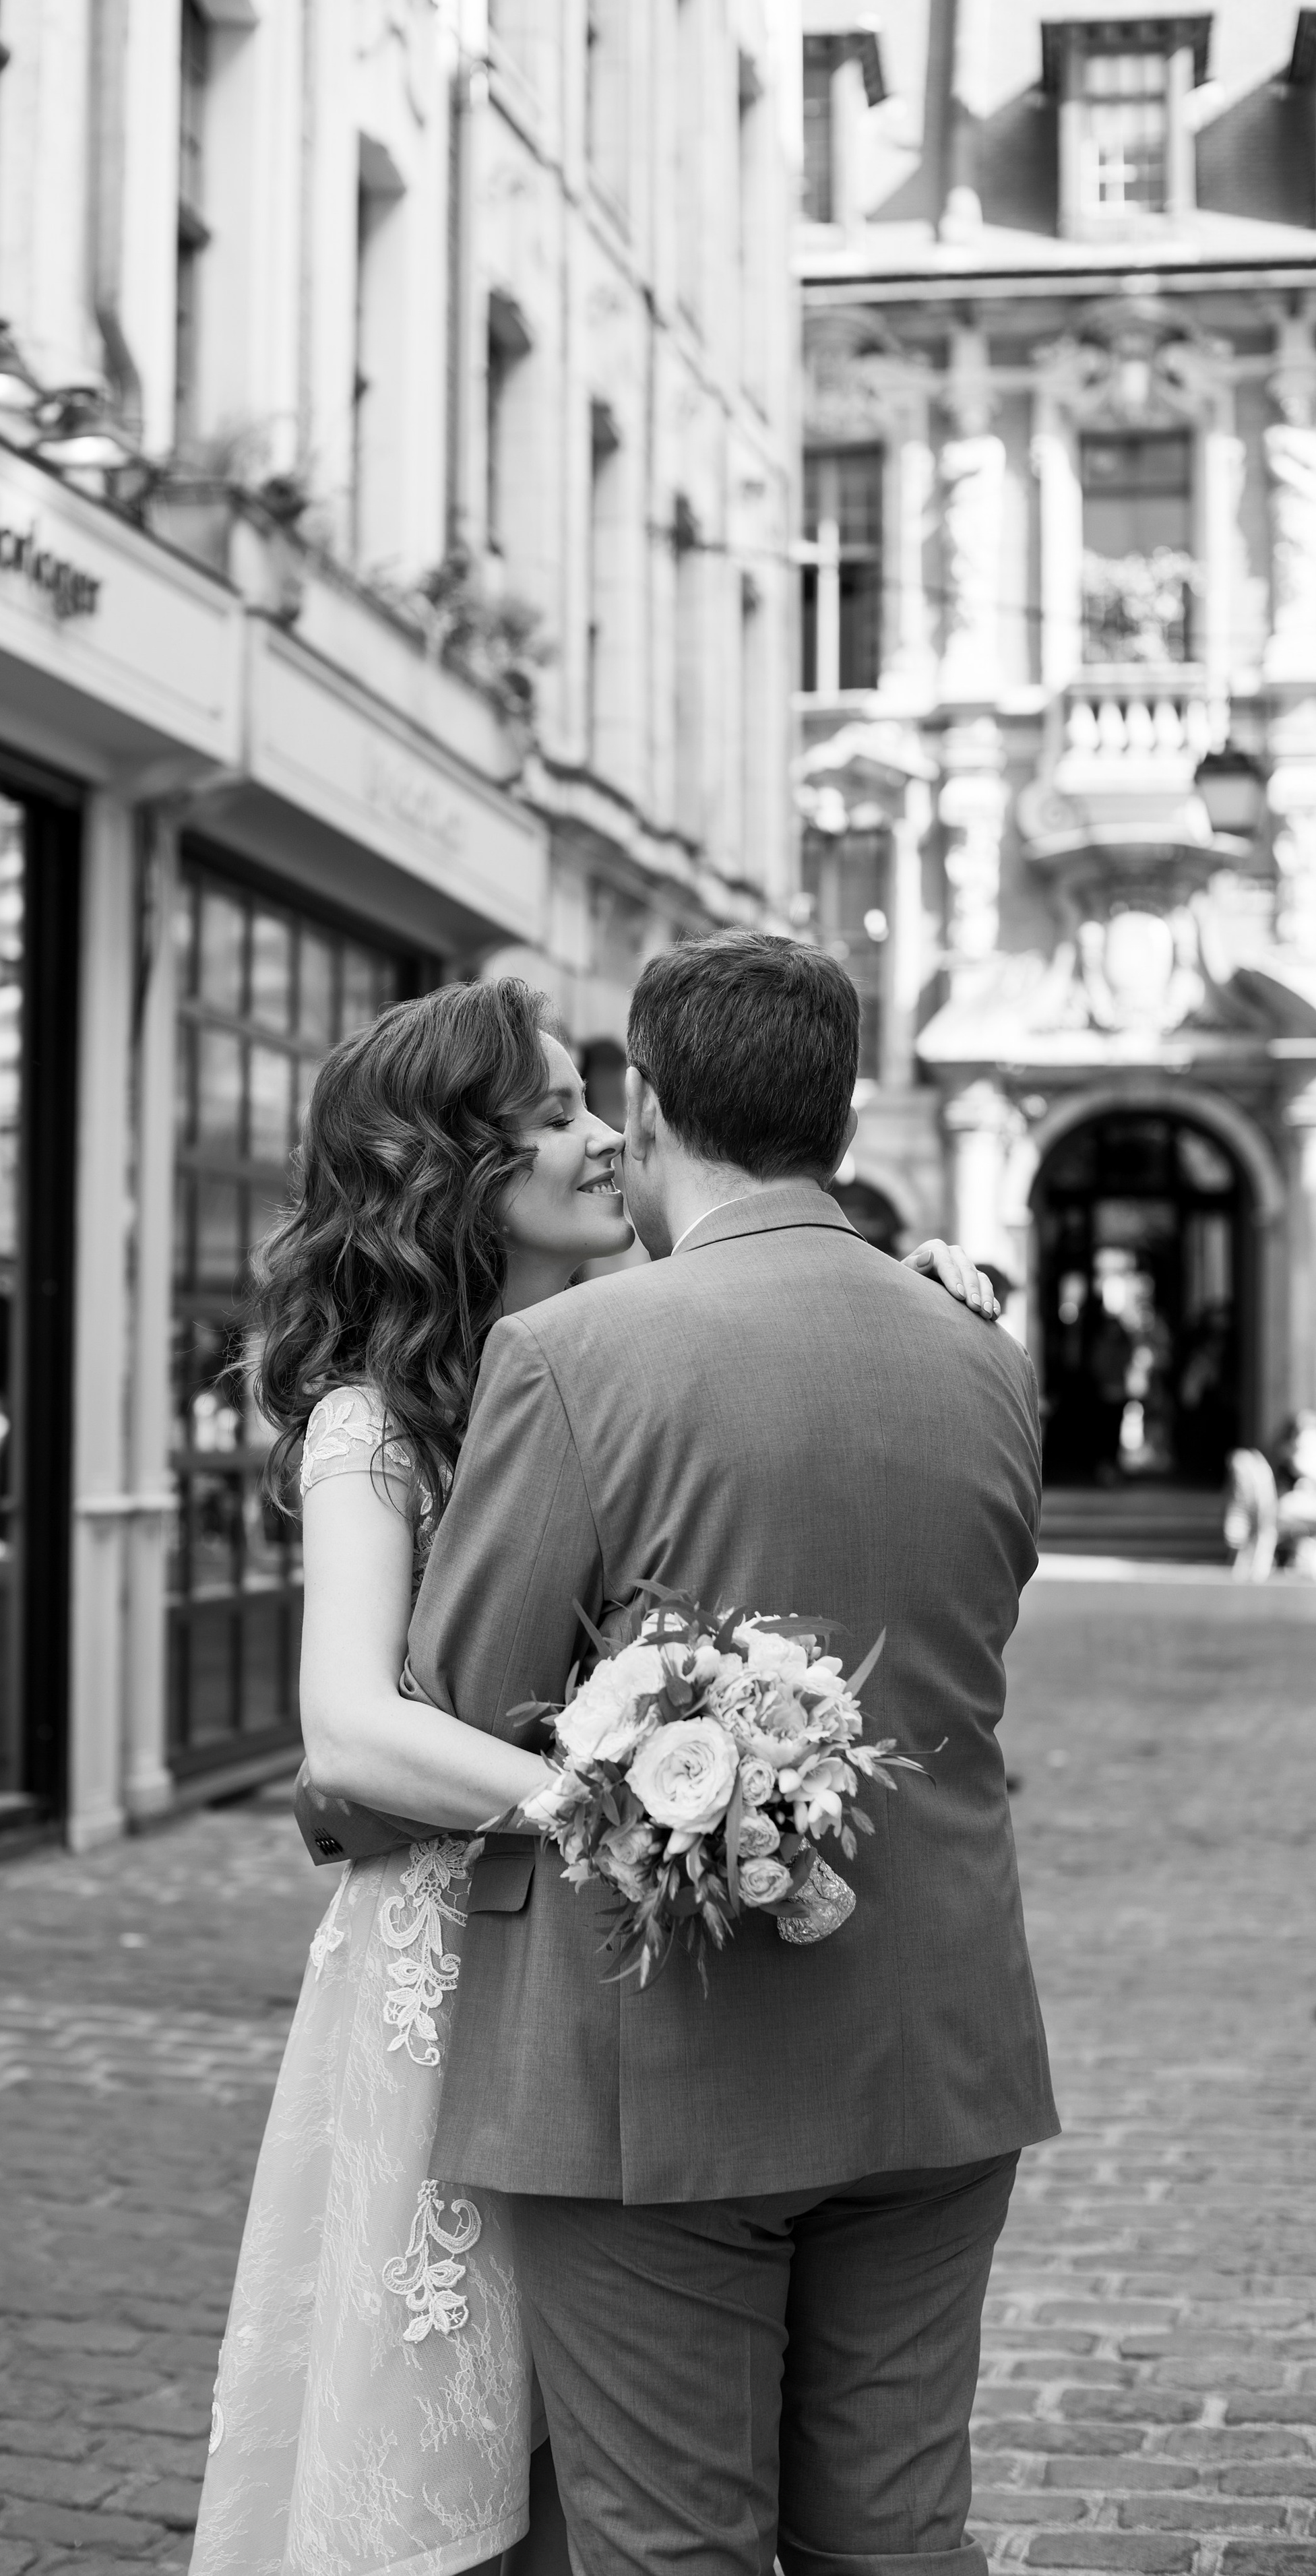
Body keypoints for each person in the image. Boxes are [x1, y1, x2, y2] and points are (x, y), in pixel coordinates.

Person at [187, 972, 1003, 2576]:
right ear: (447, 1172)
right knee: (463, 2447)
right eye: (548, 1114)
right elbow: (347, 1733)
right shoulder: (378, 1417)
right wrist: (606, 1789)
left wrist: (901, 1285)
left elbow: (769, 1411)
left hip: (618, 1978)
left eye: (592, 1103)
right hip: (465, 1967)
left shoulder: (599, 1351)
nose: (600, 1139)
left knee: (607, 2467)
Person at [404, 933, 1058, 2576]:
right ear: (839, 1111)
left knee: (667, 2546)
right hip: (934, 2042)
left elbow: (459, 1700)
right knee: (899, 2537)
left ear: (647, 1099)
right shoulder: (983, 1358)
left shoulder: (574, 1353)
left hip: (659, 2068)